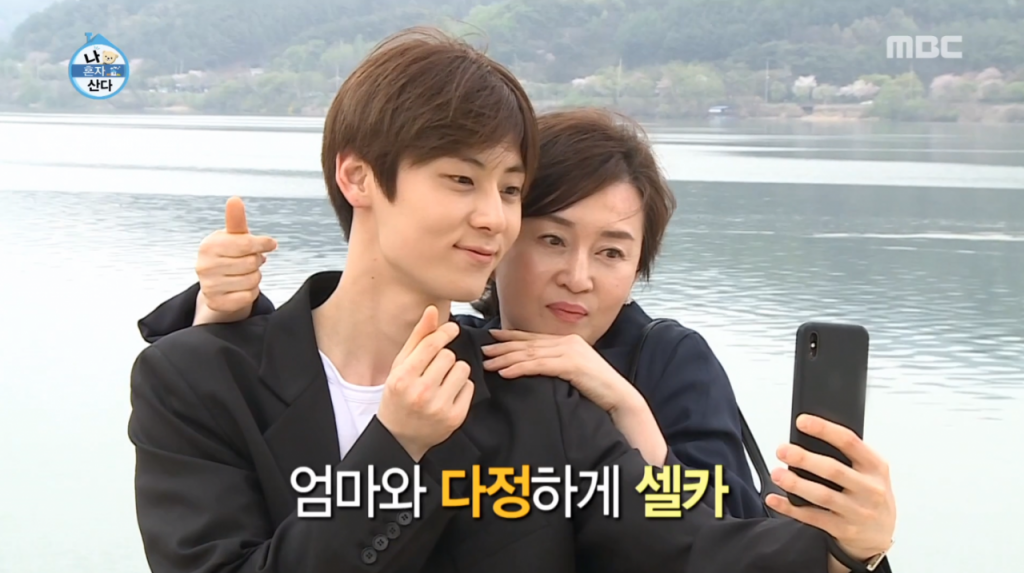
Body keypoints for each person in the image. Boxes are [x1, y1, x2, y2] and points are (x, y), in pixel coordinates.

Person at [129, 26, 895, 573]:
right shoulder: (197, 379)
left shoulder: (535, 393)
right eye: (462, 180)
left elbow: (690, 541)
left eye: (510, 189)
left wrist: (846, 549)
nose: (494, 218)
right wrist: (395, 448)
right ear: (358, 177)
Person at [140, 110, 769, 518]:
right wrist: (219, 305)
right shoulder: (460, 357)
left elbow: (725, 528)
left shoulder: (664, 360)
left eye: (612, 252)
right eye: (552, 239)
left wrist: (626, 405)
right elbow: (305, 376)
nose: (578, 276)